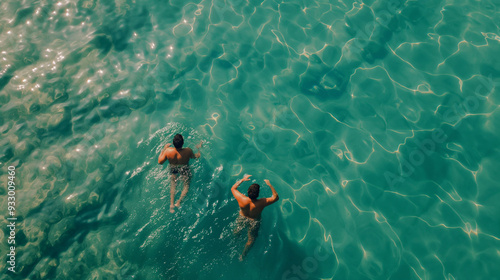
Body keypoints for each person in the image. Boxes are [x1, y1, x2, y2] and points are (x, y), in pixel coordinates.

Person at [231, 174, 279, 260]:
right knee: (251, 239)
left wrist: (242, 179)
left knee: (237, 231)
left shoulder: (241, 198)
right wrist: (270, 185)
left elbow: (233, 188)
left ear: (248, 192)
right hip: (254, 222)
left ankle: (234, 241)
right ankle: (243, 255)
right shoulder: (262, 202)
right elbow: (276, 197)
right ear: (258, 194)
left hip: (242, 218)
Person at [158, 134, 202, 213]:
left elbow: (160, 162)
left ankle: (171, 205)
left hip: (173, 168)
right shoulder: (188, 150)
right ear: (183, 143)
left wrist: (163, 149)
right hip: (184, 168)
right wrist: (199, 149)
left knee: (173, 184)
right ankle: (178, 202)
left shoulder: (168, 151)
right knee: (186, 185)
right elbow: (196, 157)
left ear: (173, 143)